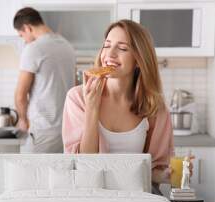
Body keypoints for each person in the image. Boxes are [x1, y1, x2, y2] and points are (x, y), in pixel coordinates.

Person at [62, 19, 186, 184]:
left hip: (136, 198)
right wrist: (92, 108)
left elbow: (153, 169)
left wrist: (167, 175)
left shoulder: (154, 106)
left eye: (122, 48)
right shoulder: (77, 98)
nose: (110, 54)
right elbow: (82, 165)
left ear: (138, 60)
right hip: (90, 196)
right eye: (107, 45)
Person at [13, 7, 75, 153]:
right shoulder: (67, 46)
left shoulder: (34, 49)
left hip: (42, 131)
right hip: (66, 130)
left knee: (31, 175)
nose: (24, 40)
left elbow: (20, 95)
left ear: (27, 28)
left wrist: (22, 120)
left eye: (22, 35)